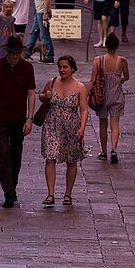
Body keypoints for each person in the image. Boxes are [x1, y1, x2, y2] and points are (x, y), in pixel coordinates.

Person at [0, 35, 37, 208]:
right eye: (12, 53)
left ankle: (12, 185)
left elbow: (31, 92)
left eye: (18, 53)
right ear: (7, 52)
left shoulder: (27, 68)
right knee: (4, 152)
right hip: (0, 115)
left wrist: (30, 118)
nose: (15, 56)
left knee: (16, 153)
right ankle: (7, 191)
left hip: (18, 117)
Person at [39, 55, 88, 209]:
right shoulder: (52, 82)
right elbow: (41, 95)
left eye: (65, 67)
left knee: (71, 160)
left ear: (72, 68)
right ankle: (51, 193)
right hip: (52, 125)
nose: (62, 70)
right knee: (50, 157)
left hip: (71, 126)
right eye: (60, 67)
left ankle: (68, 193)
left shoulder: (80, 87)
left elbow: (84, 109)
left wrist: (82, 128)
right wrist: (44, 96)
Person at [87, 33, 128, 164]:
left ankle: (103, 151)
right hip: (116, 94)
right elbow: (126, 77)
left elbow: (92, 80)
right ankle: (114, 149)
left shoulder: (98, 60)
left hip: (102, 95)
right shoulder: (122, 61)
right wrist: (118, 80)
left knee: (103, 124)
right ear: (117, 46)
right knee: (115, 123)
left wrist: (84, 95)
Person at [23, 0, 54, 64]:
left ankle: (50, 55)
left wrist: (45, 13)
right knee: (34, 32)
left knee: (44, 35)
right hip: (39, 12)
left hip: (41, 12)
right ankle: (26, 54)